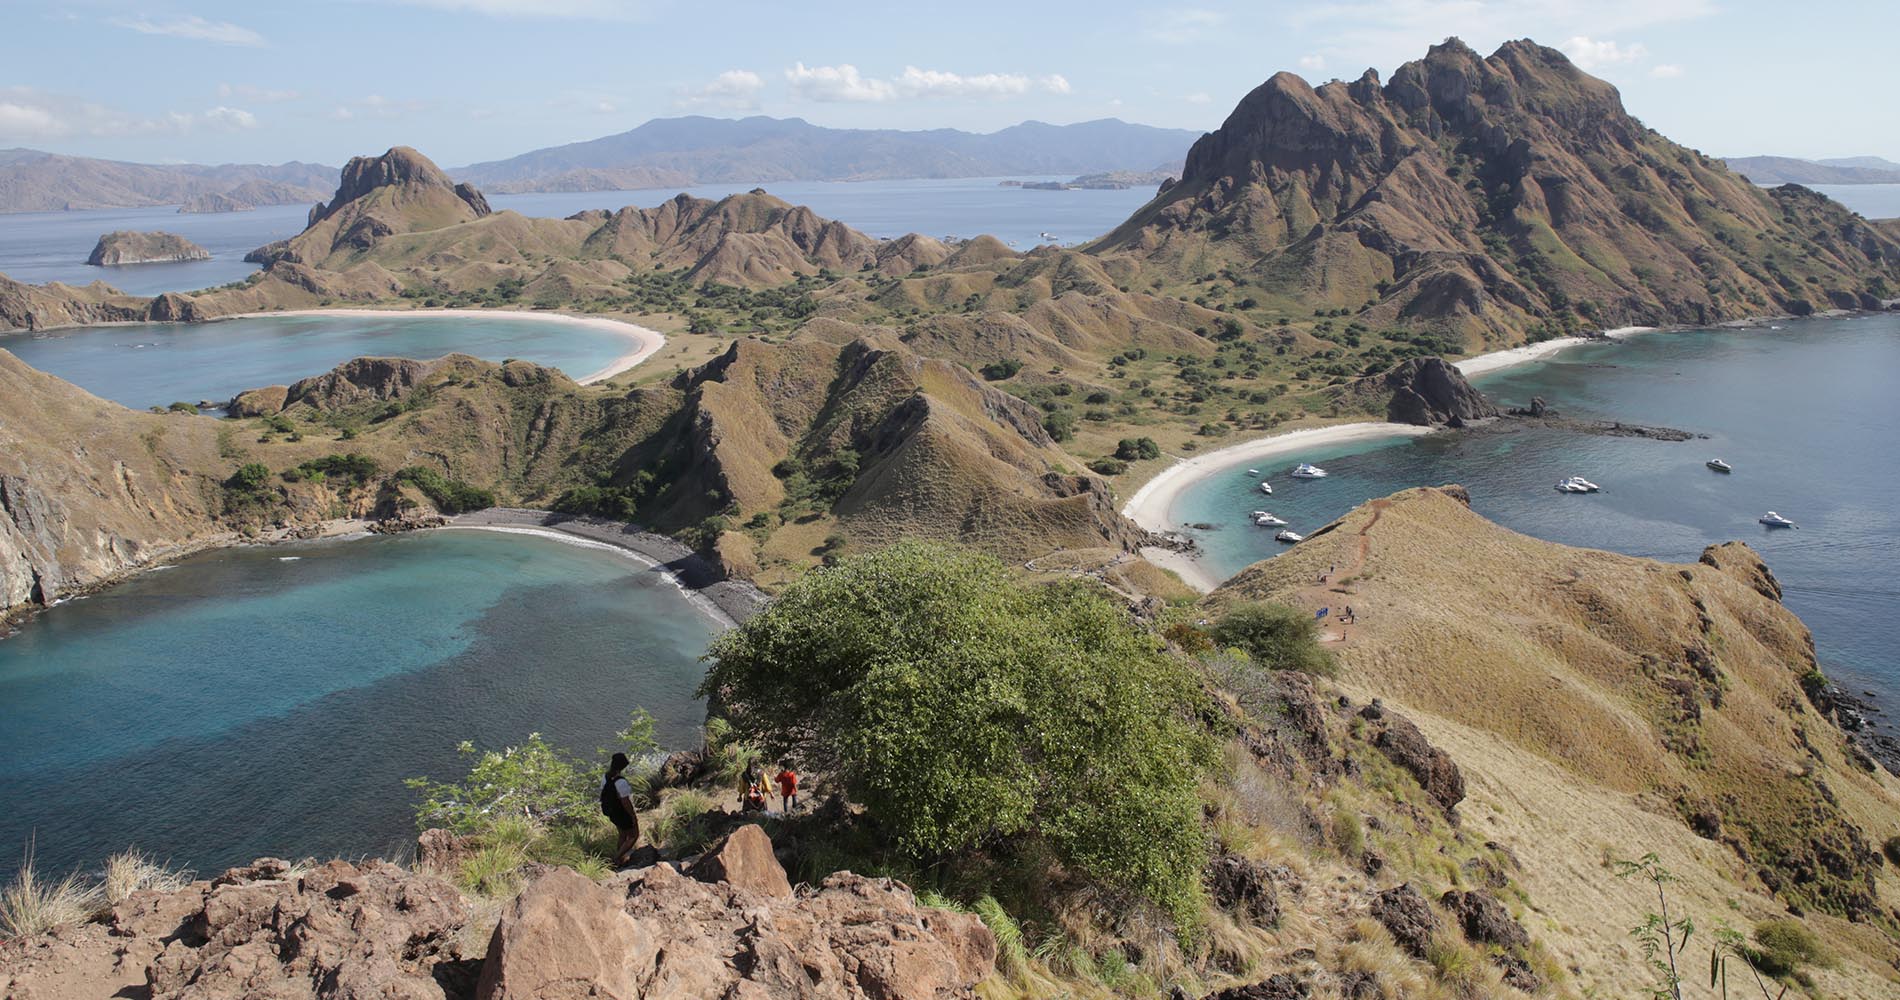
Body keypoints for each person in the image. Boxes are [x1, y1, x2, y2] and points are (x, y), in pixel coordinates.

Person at [600, 752, 641, 868]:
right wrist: (633, 815)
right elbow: (625, 802)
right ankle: (617, 857)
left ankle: (620, 860)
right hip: (622, 813)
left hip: (611, 812)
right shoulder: (621, 782)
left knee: (622, 834)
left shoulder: (605, 777)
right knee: (634, 835)